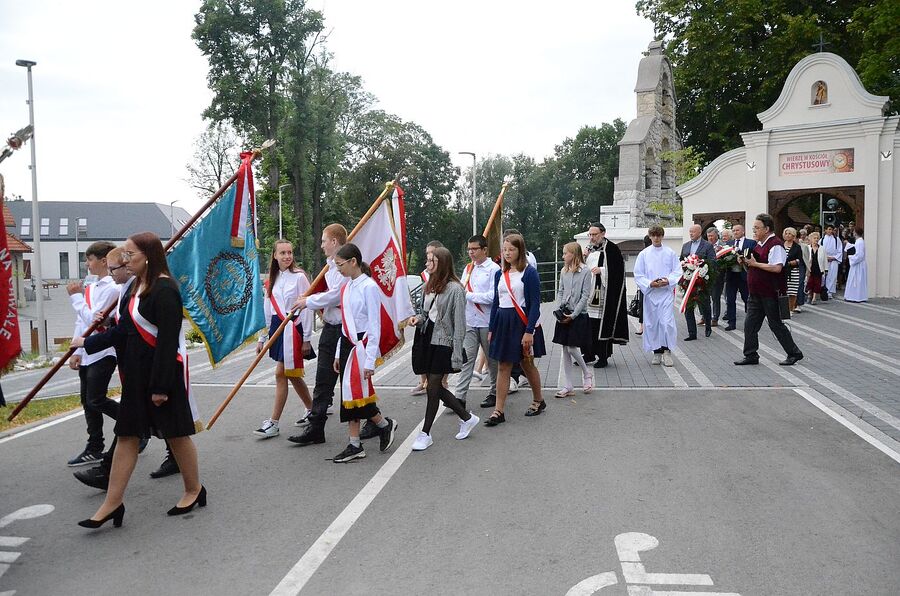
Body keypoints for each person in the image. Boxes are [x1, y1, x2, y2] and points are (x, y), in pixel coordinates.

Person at [75, 232, 205, 529]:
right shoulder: (134, 287)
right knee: (127, 436)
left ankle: (194, 489)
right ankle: (112, 503)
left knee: (176, 435)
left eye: (130, 254)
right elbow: (124, 331)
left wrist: (160, 387)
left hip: (162, 378)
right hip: (135, 379)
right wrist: (87, 343)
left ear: (147, 255)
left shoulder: (165, 290)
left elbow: (167, 342)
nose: (125, 260)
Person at [73, 247, 181, 489]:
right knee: (146, 425)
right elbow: (125, 326)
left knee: (132, 425)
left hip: (147, 367)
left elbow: (130, 331)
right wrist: (109, 320)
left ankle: (107, 475)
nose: (111, 274)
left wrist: (87, 342)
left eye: (114, 269)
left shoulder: (144, 289)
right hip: (135, 367)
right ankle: (175, 464)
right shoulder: (128, 289)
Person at [330, 243, 398, 463]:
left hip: (362, 345)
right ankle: (381, 425)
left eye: (340, 264)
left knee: (355, 395)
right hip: (348, 344)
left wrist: (370, 360)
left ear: (353, 262)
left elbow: (374, 325)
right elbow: (344, 324)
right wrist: (339, 353)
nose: (338, 269)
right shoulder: (347, 287)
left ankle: (356, 443)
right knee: (350, 395)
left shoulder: (369, 287)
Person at [409, 247, 479, 451]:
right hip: (426, 338)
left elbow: (459, 325)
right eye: (427, 260)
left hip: (443, 342)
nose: (427, 264)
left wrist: (457, 354)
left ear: (442, 263)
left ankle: (425, 433)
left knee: (432, 387)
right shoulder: (428, 285)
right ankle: (467, 417)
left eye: (431, 261)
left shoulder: (456, 289)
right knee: (435, 387)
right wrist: (417, 319)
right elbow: (424, 312)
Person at [288, 224, 349, 446]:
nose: (321, 245)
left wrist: (308, 302)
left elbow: (336, 296)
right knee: (322, 381)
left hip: (345, 331)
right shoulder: (330, 267)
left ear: (334, 242)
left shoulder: (345, 266)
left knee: (350, 382)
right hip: (330, 329)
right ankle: (316, 427)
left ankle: (376, 420)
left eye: (324, 240)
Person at [66, 241, 120, 467]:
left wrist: (76, 297)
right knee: (87, 402)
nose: (87, 264)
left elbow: (94, 321)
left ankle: (135, 424)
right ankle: (95, 445)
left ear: (103, 261)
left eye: (89, 259)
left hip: (103, 351)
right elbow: (82, 320)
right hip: (87, 352)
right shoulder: (92, 288)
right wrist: (77, 351)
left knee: (96, 399)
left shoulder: (113, 288)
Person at [253, 240, 314, 439]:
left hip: (293, 331)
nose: (287, 256)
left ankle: (274, 422)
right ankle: (313, 409)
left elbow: (306, 309)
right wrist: (263, 337)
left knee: (281, 373)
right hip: (277, 330)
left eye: (289, 252)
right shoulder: (272, 279)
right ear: (274, 256)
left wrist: (306, 338)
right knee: (292, 375)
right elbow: (267, 310)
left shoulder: (299, 277)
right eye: (283, 253)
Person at [485, 234, 546, 426]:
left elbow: (535, 304)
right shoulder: (499, 274)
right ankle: (498, 411)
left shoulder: (529, 273)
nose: (507, 253)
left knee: (527, 364)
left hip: (521, 323)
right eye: (504, 249)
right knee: (504, 366)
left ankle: (538, 400)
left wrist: (529, 331)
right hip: (503, 323)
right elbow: (496, 303)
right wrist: (492, 327)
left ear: (520, 250)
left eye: (511, 249)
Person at [734, 214, 804, 367]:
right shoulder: (758, 244)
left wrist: (755, 264)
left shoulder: (775, 244)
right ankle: (751, 354)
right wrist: (745, 263)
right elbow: (754, 265)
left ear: (766, 229)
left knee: (776, 325)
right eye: (754, 228)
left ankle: (794, 353)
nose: (754, 231)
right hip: (756, 292)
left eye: (757, 228)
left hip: (770, 293)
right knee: (750, 325)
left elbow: (777, 267)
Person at [454, 234, 500, 410]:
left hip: (487, 321)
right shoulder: (468, 268)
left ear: (484, 250)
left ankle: (495, 392)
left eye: (474, 249)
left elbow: (492, 297)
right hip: (470, 321)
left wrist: (469, 295)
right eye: (469, 249)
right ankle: (460, 397)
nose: (471, 253)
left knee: (492, 361)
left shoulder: (494, 269)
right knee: (467, 360)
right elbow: (462, 288)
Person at [633, 226, 681, 366]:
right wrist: (649, 283)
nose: (656, 238)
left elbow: (677, 271)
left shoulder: (670, 253)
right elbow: (638, 273)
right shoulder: (644, 254)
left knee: (666, 322)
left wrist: (668, 280)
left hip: (665, 293)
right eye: (653, 235)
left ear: (662, 236)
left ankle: (667, 351)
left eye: (658, 235)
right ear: (650, 236)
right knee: (652, 324)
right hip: (651, 294)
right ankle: (657, 351)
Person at [584, 223, 629, 367]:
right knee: (588, 324)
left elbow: (618, 271)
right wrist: (582, 257)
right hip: (588, 293)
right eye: (590, 234)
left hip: (604, 294)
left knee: (600, 324)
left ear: (603, 233)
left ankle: (603, 356)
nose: (592, 237)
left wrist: (602, 271)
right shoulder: (588, 249)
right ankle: (589, 353)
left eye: (595, 234)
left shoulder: (611, 249)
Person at [552, 242, 593, 396]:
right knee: (565, 349)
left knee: (572, 348)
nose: (563, 256)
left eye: (565, 253)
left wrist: (574, 314)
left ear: (573, 254)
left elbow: (585, 295)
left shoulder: (586, 272)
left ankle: (586, 373)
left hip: (578, 314)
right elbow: (561, 290)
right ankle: (568, 385)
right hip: (565, 312)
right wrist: (558, 308)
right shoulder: (564, 271)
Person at [411, 241, 448, 397]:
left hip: (443, 332)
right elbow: (425, 311)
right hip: (428, 329)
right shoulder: (427, 280)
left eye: (432, 255)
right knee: (432, 382)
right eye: (427, 255)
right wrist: (417, 319)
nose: (428, 259)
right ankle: (426, 382)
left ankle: (443, 383)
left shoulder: (451, 285)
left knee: (436, 383)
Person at [680, 224, 716, 340]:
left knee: (705, 305)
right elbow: (681, 260)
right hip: (688, 281)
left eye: (693, 232)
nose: (691, 234)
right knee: (688, 306)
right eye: (690, 232)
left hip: (701, 281)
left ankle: (708, 327)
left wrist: (700, 263)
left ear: (700, 232)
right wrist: (685, 265)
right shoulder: (686, 246)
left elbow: (713, 261)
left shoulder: (707, 246)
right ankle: (692, 333)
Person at [723, 223, 756, 331]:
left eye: (737, 230)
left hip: (744, 275)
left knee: (747, 299)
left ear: (743, 231)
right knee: (730, 300)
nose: (735, 232)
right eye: (733, 230)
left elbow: (754, 257)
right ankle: (731, 322)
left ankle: (751, 321)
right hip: (731, 276)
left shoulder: (751, 243)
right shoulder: (729, 243)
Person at [705, 227, 725, 326]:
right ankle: (705, 317)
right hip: (705, 276)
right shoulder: (705, 245)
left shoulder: (723, 246)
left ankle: (715, 318)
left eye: (712, 236)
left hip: (718, 276)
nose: (710, 238)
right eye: (708, 236)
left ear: (717, 235)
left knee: (715, 298)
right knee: (704, 297)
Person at [782, 228, 804, 314]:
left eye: (789, 234)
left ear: (793, 235)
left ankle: (790, 309)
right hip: (782, 271)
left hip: (793, 271)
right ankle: (783, 310)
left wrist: (792, 262)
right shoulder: (781, 245)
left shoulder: (797, 247)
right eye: (786, 233)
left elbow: (799, 260)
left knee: (792, 291)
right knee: (783, 291)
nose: (787, 235)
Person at [843, 226, 867, 303]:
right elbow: (855, 248)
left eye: (853, 232)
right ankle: (854, 296)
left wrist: (851, 257)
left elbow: (859, 255)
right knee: (855, 280)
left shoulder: (859, 242)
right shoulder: (859, 241)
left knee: (856, 280)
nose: (853, 233)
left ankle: (855, 296)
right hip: (858, 264)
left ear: (856, 233)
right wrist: (849, 244)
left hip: (858, 264)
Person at [636, 235, 653, 335]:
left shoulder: (642, 254)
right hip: (650, 283)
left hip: (645, 284)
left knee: (643, 305)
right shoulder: (645, 254)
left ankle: (642, 326)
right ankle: (646, 326)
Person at [804, 231, 827, 305]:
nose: (816, 239)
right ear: (811, 239)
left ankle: (814, 298)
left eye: (817, 238)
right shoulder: (807, 247)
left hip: (818, 268)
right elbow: (805, 258)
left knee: (817, 283)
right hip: (810, 268)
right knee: (810, 282)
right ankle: (809, 295)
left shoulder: (822, 248)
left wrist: (826, 269)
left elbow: (825, 259)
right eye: (814, 238)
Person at [822, 224, 842, 299]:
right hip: (825, 260)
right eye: (829, 229)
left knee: (832, 276)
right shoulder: (822, 240)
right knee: (824, 276)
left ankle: (830, 292)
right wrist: (825, 258)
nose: (830, 231)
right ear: (825, 230)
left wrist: (834, 258)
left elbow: (840, 251)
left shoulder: (837, 239)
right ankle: (824, 291)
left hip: (834, 260)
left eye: (831, 229)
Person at [796, 228, 809, 309]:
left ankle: (798, 303)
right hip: (791, 267)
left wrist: (808, 270)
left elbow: (807, 259)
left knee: (800, 284)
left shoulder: (804, 247)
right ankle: (792, 303)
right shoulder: (786, 245)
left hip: (801, 266)